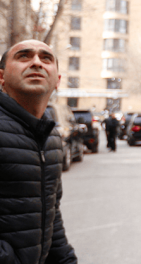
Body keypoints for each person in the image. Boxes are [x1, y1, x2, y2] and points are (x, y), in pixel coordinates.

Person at [0, 40, 78, 264]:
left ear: (57, 81)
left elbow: (51, 214)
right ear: (1, 77)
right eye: (24, 56)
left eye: (46, 58)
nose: (36, 62)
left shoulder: (51, 136)